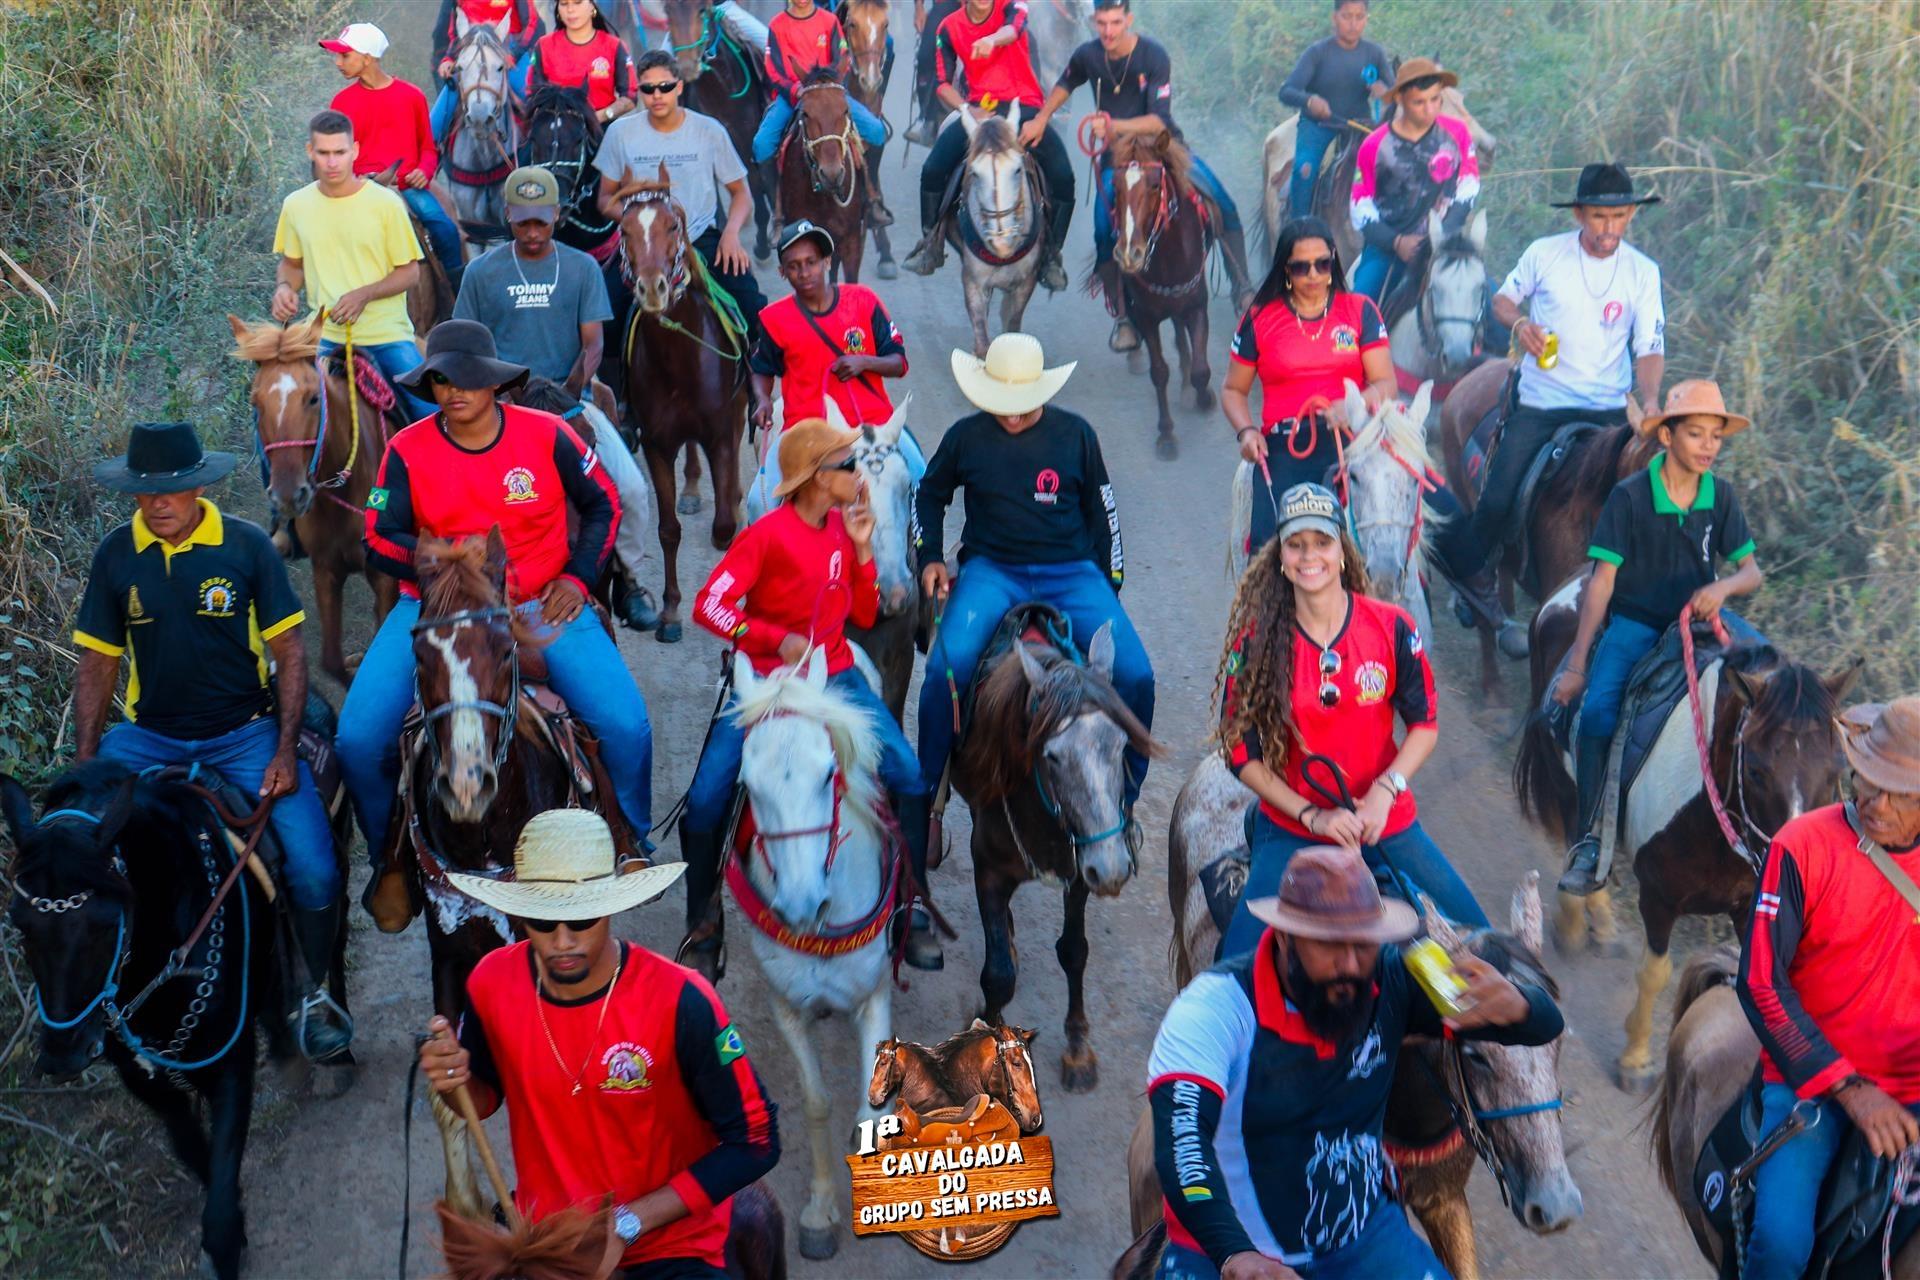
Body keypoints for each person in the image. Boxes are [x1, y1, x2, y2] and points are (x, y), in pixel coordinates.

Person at [1148, 843, 1563, 1279]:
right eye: (1329, 945)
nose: (1349, 964)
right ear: (1285, 937)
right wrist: (1234, 1254)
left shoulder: (1393, 976)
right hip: (1227, 1250)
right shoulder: (1214, 1006)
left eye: (1363, 943)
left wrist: (1519, 1005)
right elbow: (1183, 1144)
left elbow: (1542, 1027)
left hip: (1360, 1237)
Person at [337, 321, 654, 888]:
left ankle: (629, 836)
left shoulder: (548, 434)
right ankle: (391, 857)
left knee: (626, 725)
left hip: (538, 604)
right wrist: (446, 560)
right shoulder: (405, 449)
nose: (452, 391)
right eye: (440, 380)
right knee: (358, 740)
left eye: (466, 378)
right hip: (437, 609)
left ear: (494, 383)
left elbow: (603, 501)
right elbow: (379, 536)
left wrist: (578, 579)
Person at [70, 422, 350, 1061]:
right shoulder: (116, 554)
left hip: (242, 735)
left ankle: (310, 997)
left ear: (199, 485)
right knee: (75, 843)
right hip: (147, 738)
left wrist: (284, 750)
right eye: (145, 491)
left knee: (314, 869)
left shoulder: (247, 547)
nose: (157, 502)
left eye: (170, 489)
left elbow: (290, 652)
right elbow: (99, 662)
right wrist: (86, 764)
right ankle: (85, 1001)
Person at [419, 809, 780, 1279]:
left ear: (611, 907)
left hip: (669, 1247)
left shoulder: (682, 1000)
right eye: (543, 922)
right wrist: (452, 1081)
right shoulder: (491, 981)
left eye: (583, 919)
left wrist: (628, 1223)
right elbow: (481, 1101)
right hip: (546, 1240)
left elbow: (757, 1140)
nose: (562, 942)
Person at [683, 419, 936, 974]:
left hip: (837, 673)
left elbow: (863, 613)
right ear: (819, 477)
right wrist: (772, 638)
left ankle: (910, 907)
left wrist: (864, 550)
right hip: (767, 682)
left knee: (910, 776)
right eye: (849, 465)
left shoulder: (845, 527)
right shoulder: (765, 535)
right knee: (703, 802)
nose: (858, 474)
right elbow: (708, 605)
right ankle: (703, 925)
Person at [913, 333, 1157, 886]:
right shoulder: (966, 437)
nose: (1013, 414)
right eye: (1002, 403)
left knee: (1137, 673)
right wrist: (929, 558)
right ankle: (926, 798)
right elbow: (929, 495)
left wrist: (1109, 585)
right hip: (992, 570)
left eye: (1022, 403)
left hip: (1071, 571)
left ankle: (1124, 797)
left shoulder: (1076, 435)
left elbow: (1105, 515)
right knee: (945, 669)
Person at [1215, 482, 1488, 960]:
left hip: (1384, 824)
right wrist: (1313, 816)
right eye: (1296, 545)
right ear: (1281, 559)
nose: (1309, 556)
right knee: (1235, 967)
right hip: (1293, 827)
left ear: (1343, 551)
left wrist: (1385, 792)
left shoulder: (1392, 626)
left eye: (1322, 542)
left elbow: (1424, 725)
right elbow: (1241, 755)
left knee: (1482, 945)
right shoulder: (1254, 644)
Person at [1550, 380, 1762, 895]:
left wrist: (1722, 587)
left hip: (1700, 622)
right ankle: (1590, 841)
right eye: (1696, 434)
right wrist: (1577, 662)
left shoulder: (1720, 495)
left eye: (1716, 436)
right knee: (1598, 713)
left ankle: (1765, 838)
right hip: (1638, 624)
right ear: (1666, 436)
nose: (1709, 446)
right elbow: (1602, 582)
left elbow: (1751, 571)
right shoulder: (1628, 497)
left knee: (1771, 675)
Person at [1737, 697, 1920, 1280]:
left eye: (1899, 793)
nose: (1875, 802)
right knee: (1781, 1245)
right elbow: (1760, 982)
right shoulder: (1802, 846)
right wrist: (1850, 1088)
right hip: (1813, 1080)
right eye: (1867, 780)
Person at [1451, 163, 1667, 650]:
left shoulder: (1643, 272)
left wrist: (1651, 400)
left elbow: (1650, 347)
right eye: (1598, 217)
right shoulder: (1544, 254)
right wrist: (1520, 325)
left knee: (1657, 498)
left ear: (1631, 215)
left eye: (1619, 217)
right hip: (1543, 402)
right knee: (1498, 496)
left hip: (1610, 410)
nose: (1608, 228)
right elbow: (1501, 301)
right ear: (1578, 214)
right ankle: (1473, 580)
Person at [455, 165, 659, 632]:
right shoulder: (481, 273)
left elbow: (593, 342)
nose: (532, 232)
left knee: (630, 487)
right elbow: (470, 341)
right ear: (508, 215)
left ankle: (629, 580)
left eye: (541, 222)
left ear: (558, 216)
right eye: (523, 221)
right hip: (502, 402)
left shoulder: (582, 267)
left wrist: (571, 386)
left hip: (568, 398)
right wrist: (498, 390)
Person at [1020, 0, 1251, 351]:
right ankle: (1123, 317)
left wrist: (1113, 125)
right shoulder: (1088, 55)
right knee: (1103, 231)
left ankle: (1242, 287)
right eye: (1102, 23)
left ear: (1128, 19)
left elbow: (1158, 120)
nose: (1108, 31)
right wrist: (1041, 118)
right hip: (1117, 158)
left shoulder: (1153, 56)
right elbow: (1067, 82)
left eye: (1115, 22)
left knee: (1222, 202)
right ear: (1094, 21)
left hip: (1163, 148)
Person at [1222, 217, 1394, 553]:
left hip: (1353, 440)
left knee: (1397, 528)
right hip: (1285, 447)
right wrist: (1246, 432)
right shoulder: (1259, 318)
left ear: (1333, 261)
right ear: (1286, 269)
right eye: (1302, 267)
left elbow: (1385, 382)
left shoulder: (1360, 310)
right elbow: (1233, 390)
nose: (1314, 274)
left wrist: (1355, 403)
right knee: (1266, 547)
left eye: (1322, 264)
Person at [594, 50, 770, 353]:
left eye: (665, 86)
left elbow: (741, 193)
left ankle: (756, 379)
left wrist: (731, 235)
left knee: (752, 307)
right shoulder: (620, 133)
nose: (657, 95)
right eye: (648, 88)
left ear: (679, 86)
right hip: (640, 244)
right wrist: (640, 225)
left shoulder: (708, 130)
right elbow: (605, 198)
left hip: (698, 238)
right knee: (604, 316)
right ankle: (615, 381)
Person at [900, 0, 1077, 293]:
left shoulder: (1013, 7)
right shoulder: (948, 27)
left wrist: (991, 40)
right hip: (979, 111)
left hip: (1026, 109)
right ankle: (930, 244)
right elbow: (942, 82)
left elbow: (1014, 29)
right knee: (932, 169)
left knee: (1064, 177)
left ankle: (1051, 257)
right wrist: (966, 109)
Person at [746, 221, 925, 510]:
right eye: (793, 266)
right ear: (782, 272)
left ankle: (920, 540)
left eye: (811, 262)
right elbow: (762, 369)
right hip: (805, 430)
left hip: (873, 425)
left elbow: (899, 362)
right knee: (758, 502)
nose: (804, 272)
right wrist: (763, 398)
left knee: (923, 481)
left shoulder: (864, 300)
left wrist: (864, 362)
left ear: (827, 262)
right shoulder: (773, 319)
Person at [271, 109, 436, 421]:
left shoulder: (385, 204)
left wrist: (364, 295)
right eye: (323, 153)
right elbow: (292, 264)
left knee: (428, 411)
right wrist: (284, 288)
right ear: (310, 151)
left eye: (340, 152)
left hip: (385, 333)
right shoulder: (295, 205)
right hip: (322, 333)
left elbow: (410, 272)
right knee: (273, 409)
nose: (332, 162)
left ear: (355, 151)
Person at [323, 22, 465, 282]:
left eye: (344, 55)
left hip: (405, 186)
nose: (338, 62)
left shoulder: (411, 96)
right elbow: (334, 154)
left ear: (367, 58)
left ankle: (458, 295)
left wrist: (424, 171)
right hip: (357, 188)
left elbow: (428, 147)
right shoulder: (341, 102)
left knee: (444, 229)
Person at [1347, 57, 1479, 305]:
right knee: (1360, 305)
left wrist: (1443, 233)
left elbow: (1469, 186)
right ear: (1400, 99)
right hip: (1388, 248)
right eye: (1419, 102)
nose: (1430, 109)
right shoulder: (1374, 145)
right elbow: (1359, 205)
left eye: (1435, 99)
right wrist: (1396, 242)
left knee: (1488, 302)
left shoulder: (1458, 133)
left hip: (1445, 244)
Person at [750, 0, 888, 184]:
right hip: (792, 97)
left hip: (830, 95)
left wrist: (828, 86)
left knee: (876, 131)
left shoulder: (830, 21)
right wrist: (795, 90)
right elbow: (774, 69)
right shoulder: (777, 25)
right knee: (762, 145)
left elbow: (842, 57)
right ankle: (776, 199)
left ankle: (869, 189)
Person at [1278, 0, 1391, 219]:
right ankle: (1299, 225)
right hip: (1319, 126)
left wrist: (1384, 92)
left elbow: (1396, 95)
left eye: (1359, 17)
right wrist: (1309, 100)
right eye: (1346, 16)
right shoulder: (1317, 53)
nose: (1353, 24)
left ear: (1366, 19)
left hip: (1361, 127)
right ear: (1334, 18)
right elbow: (1286, 91)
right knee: (1304, 168)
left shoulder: (1374, 53)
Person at [429, 0, 542, 145]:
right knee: (442, 109)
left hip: (510, 49)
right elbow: (455, 31)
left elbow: (532, 23)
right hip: (472, 52)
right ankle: (430, 150)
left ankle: (542, 151)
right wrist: (449, 58)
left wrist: (514, 53)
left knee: (531, 101)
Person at [525, 0, 638, 126]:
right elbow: (532, 93)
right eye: (564, 4)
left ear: (592, 6)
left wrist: (602, 115)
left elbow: (630, 96)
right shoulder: (544, 45)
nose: (570, 10)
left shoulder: (614, 46)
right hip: (556, 128)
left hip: (602, 127)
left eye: (577, 3)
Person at [907, 0, 964, 145]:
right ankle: (927, 119)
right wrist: (919, 7)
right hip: (947, 6)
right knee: (926, 55)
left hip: (988, 9)